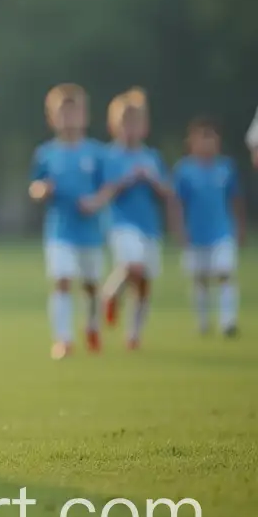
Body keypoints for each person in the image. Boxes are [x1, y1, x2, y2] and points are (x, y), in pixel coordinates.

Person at [28, 84, 109, 359]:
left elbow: (107, 188)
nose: (69, 119)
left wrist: (96, 201)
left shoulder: (96, 153)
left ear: (85, 116)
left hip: (90, 231)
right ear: (51, 118)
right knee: (62, 280)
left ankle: (92, 326)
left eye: (74, 113)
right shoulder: (46, 153)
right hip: (60, 231)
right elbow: (35, 186)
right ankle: (63, 339)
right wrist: (42, 190)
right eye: (62, 113)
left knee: (90, 285)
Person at [98, 89, 179, 349]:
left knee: (144, 283)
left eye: (136, 123)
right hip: (121, 223)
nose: (130, 129)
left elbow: (167, 191)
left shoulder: (151, 157)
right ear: (114, 126)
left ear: (145, 127)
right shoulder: (110, 156)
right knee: (133, 266)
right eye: (125, 123)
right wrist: (126, 180)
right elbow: (105, 190)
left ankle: (133, 334)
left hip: (149, 226)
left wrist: (151, 179)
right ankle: (110, 293)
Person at [173, 117, 243, 336]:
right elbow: (177, 203)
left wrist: (239, 227)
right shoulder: (184, 170)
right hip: (196, 234)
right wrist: (179, 229)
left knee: (225, 272)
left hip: (222, 231)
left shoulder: (225, 168)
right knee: (200, 278)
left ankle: (228, 321)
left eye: (211, 139)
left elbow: (235, 199)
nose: (207, 144)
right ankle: (203, 321)